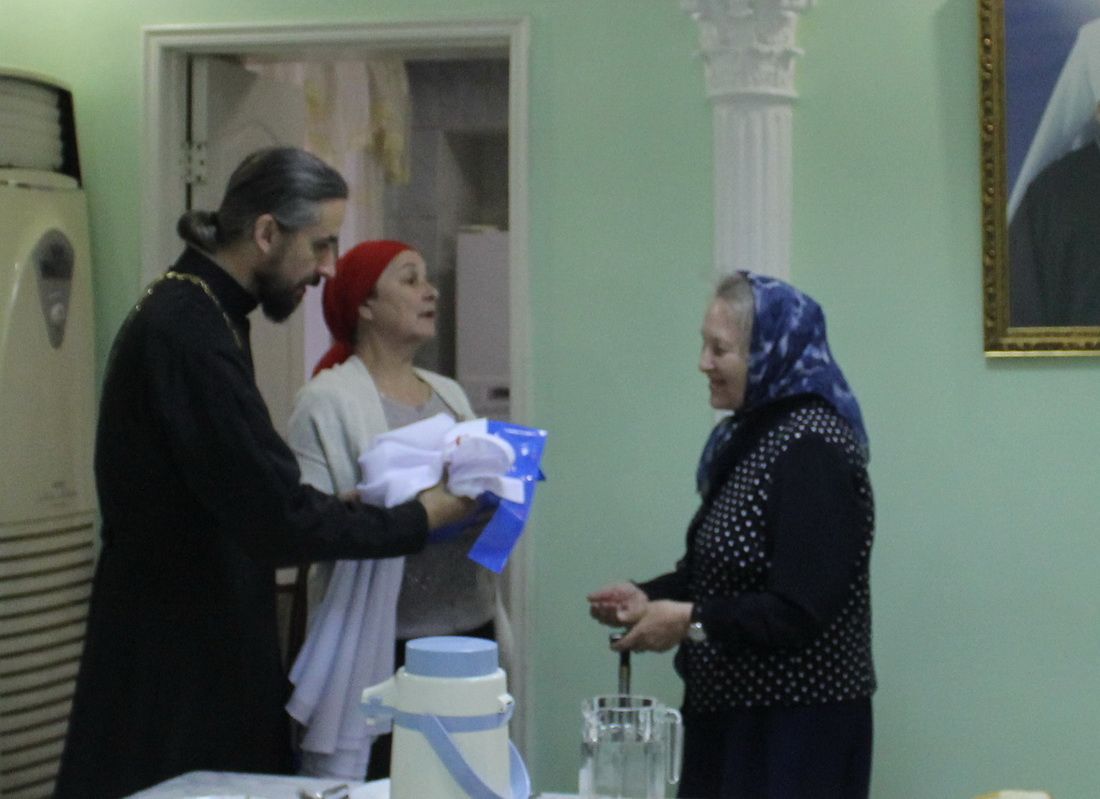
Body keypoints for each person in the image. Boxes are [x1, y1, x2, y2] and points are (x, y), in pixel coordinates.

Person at [55, 148, 473, 799]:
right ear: (267, 232)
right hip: (177, 652)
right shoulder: (188, 329)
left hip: (196, 629)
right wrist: (420, 517)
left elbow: (242, 488)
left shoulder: (204, 313)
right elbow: (275, 519)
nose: (328, 268)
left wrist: (339, 507)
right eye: (321, 244)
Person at [588, 271, 876, 799]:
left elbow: (799, 609)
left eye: (719, 349)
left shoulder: (813, 448)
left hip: (794, 736)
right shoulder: (753, 436)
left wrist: (687, 621)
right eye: (704, 345)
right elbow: (715, 574)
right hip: (731, 722)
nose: (703, 362)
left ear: (767, 354)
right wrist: (647, 597)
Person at [285, 239, 505, 780]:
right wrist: (389, 507)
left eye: (426, 278)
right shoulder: (327, 401)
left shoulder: (449, 393)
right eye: (410, 279)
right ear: (364, 304)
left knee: (466, 782)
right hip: (384, 645)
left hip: (470, 629)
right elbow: (308, 524)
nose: (431, 292)